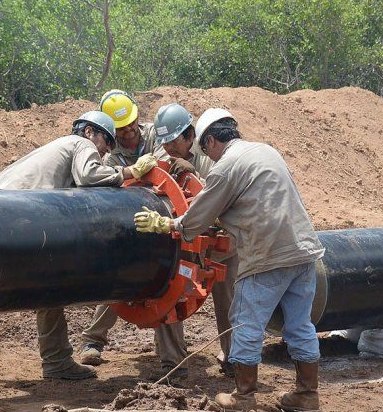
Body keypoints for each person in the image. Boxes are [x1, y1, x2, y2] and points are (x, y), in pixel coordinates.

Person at [134, 108, 326, 411]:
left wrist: (167, 223)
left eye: (205, 148)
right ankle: (307, 394)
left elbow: (198, 218)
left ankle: (243, 397)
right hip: (303, 251)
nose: (206, 155)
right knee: (300, 325)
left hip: (267, 255)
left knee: (246, 323)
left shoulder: (226, 166)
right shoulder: (266, 151)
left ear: (211, 141)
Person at [0, 110, 158, 384]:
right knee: (50, 287)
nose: (106, 151)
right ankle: (57, 362)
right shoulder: (80, 143)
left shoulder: (50, 150)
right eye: (106, 142)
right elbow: (89, 176)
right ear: (89, 132)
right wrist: (129, 171)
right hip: (24, 217)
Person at [80, 91, 187, 382]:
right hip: (128, 219)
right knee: (120, 279)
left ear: (138, 117)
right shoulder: (109, 151)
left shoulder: (155, 135)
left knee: (167, 281)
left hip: (164, 215)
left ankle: (171, 358)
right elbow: (104, 181)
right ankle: (93, 341)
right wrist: (128, 172)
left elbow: (170, 166)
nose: (128, 132)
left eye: (131, 125)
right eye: (121, 129)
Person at [152, 103, 238, 377]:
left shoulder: (213, 155)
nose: (168, 148)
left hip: (219, 243)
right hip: (180, 241)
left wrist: (195, 175)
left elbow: (223, 198)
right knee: (166, 294)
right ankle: (173, 365)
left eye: (173, 141)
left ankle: (235, 360)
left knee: (230, 302)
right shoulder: (161, 158)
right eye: (164, 142)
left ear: (190, 135)